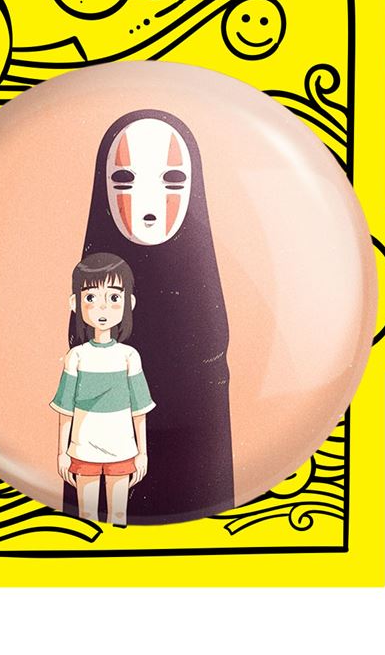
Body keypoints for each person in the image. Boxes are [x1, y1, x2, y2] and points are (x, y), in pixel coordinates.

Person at [66, 109, 235, 524]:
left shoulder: (199, 313)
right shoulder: (95, 309)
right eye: (124, 181)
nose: (147, 206)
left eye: (172, 181)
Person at [50, 252, 154, 527]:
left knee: (119, 518)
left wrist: (142, 453)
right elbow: (65, 409)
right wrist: (62, 453)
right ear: (75, 303)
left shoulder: (129, 357)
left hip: (122, 450)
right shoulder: (76, 357)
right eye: (91, 298)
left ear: (129, 303)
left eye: (114, 297)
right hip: (83, 450)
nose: (103, 308)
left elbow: (139, 410)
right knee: (87, 518)